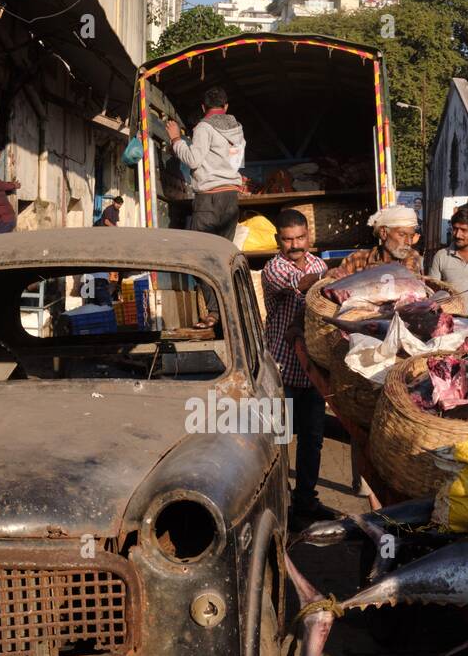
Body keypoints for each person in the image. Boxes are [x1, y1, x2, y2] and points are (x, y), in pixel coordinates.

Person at [261, 209, 334, 525]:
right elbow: (300, 283)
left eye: (300, 238)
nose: (295, 245)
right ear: (279, 240)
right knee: (277, 440)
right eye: (288, 239)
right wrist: (339, 274)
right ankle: (277, 503)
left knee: (312, 438)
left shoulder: (320, 265)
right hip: (282, 369)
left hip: (313, 370)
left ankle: (305, 501)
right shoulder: (274, 269)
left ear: (309, 237)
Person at [164, 87, 245, 242]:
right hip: (231, 197)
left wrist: (176, 139)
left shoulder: (204, 127)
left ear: (203, 107)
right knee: (225, 248)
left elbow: (193, 160)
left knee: (202, 247)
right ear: (226, 106)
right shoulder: (237, 129)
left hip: (209, 198)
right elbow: (237, 162)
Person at [324, 204, 424, 280]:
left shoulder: (411, 256)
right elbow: (337, 285)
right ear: (384, 233)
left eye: (411, 236)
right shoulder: (357, 259)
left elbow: (405, 282)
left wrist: (363, 275)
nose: (409, 242)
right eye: (402, 235)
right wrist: (332, 275)